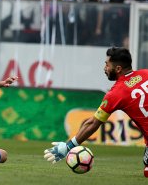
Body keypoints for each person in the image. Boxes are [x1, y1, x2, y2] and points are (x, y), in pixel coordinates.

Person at [44, 47, 148, 177]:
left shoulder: (116, 93)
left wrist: (69, 146)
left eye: (107, 64)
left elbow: (93, 123)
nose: (104, 68)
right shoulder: (146, 73)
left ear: (118, 69)